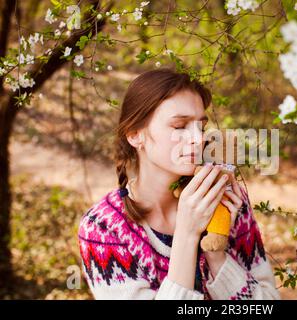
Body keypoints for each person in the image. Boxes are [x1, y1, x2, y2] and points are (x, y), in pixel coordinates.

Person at [77, 68, 281, 300]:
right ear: (134, 134)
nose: (199, 138)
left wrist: (216, 254)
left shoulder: (224, 199)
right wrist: (187, 232)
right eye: (180, 126)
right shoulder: (103, 228)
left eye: (201, 126)